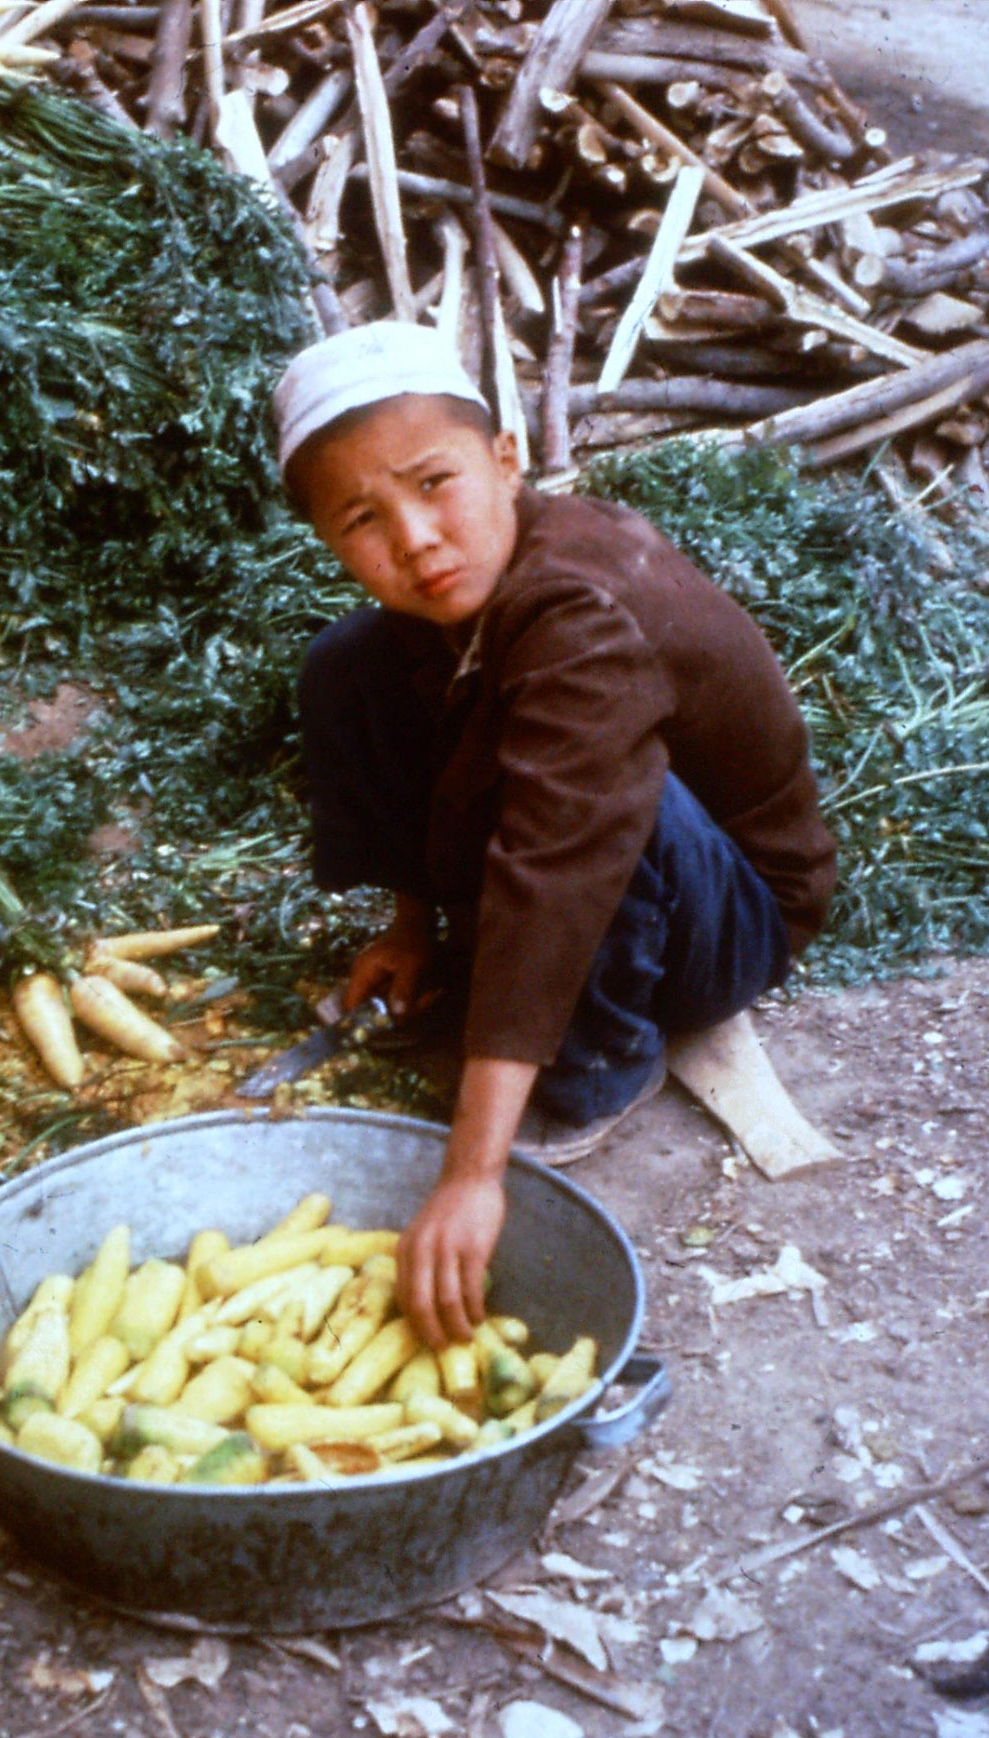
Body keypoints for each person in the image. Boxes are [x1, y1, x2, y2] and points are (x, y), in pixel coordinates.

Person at [273, 321, 836, 1352]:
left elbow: (558, 869)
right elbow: (418, 720)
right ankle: (460, 953)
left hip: (729, 908)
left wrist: (472, 1172)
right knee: (349, 661)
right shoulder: (471, 579)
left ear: (508, 458)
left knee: (608, 809)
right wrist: (414, 922)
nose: (415, 538)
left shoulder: (584, 609)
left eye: (433, 482)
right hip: (599, 845)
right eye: (363, 518)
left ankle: (606, 1062)